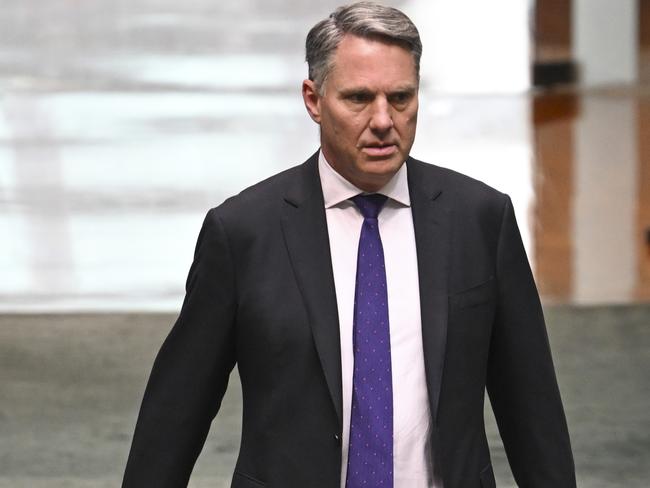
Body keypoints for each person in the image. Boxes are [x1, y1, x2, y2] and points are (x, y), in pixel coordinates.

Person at [122, 2, 576, 487]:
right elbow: (178, 410)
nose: (384, 120)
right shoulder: (243, 233)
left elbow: (532, 412)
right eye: (359, 98)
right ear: (314, 100)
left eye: (400, 98)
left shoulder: (481, 220)